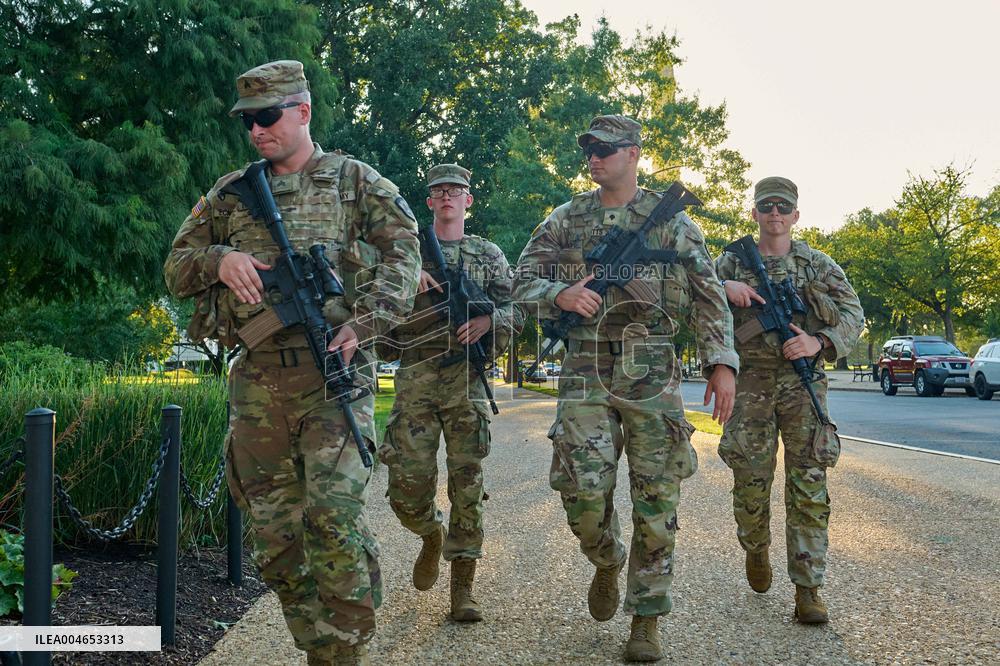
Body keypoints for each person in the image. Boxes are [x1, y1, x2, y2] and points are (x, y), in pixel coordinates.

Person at [163, 60, 421, 666]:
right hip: (258, 383)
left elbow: (406, 256)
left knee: (333, 521)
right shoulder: (231, 193)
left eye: (267, 116)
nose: (256, 130)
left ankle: (346, 651)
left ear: (303, 111)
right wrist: (219, 257)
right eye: (248, 120)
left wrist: (367, 321)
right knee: (276, 539)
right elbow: (176, 266)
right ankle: (318, 646)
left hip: (336, 373)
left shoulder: (356, 181)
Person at [513, 115, 739, 662]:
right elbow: (519, 279)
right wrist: (562, 294)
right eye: (588, 148)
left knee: (657, 498)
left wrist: (721, 362)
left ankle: (646, 618)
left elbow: (709, 294)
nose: (594, 157)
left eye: (606, 149)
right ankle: (607, 558)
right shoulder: (567, 218)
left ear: (634, 154)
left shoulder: (674, 223)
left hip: (652, 369)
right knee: (581, 493)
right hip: (586, 366)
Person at [715, 176, 864, 624]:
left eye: (783, 207)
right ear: (755, 213)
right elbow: (692, 299)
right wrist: (724, 290)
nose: (774, 214)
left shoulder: (817, 264)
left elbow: (853, 314)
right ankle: (755, 547)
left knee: (809, 485)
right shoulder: (730, 262)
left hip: (804, 384)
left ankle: (808, 588)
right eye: (766, 206)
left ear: (796, 215)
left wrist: (819, 341)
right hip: (751, 384)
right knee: (751, 482)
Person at [379, 163, 522, 622]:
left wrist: (489, 321)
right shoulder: (406, 251)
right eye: (438, 191)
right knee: (406, 484)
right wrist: (406, 277)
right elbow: (371, 298)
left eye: (455, 190)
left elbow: (518, 307)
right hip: (416, 381)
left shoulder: (487, 254)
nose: (446, 197)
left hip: (466, 382)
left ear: (468, 200)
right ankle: (429, 534)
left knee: (467, 484)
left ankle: (463, 588)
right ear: (429, 202)